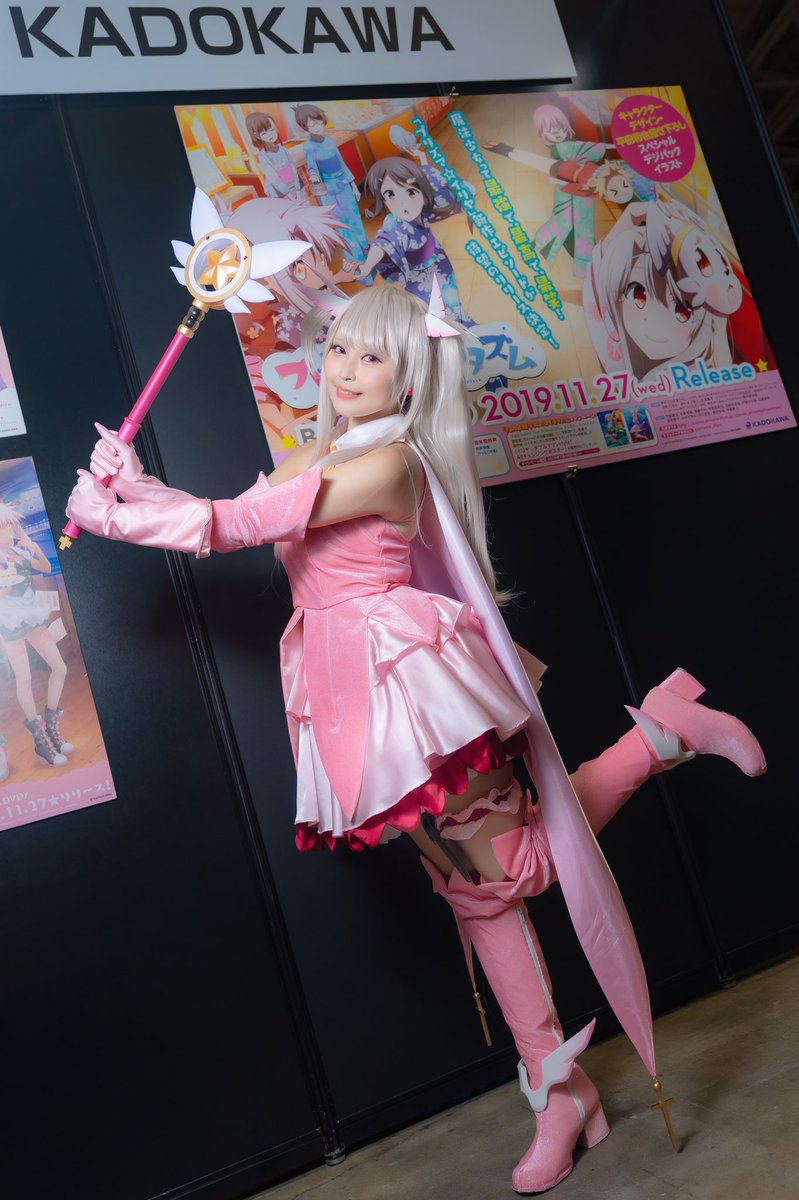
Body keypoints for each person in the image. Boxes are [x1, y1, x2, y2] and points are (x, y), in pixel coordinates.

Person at [66, 286, 764, 1194]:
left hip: (402, 675)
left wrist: (116, 517)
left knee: (508, 872)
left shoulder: (389, 463)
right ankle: (560, 1092)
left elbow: (235, 527)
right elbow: (215, 508)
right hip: (343, 685)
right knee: (474, 891)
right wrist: (129, 479)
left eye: (372, 356)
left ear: (408, 378)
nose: (346, 369)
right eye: (339, 349)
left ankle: (662, 733)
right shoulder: (320, 450)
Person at [0, 504, 73, 768]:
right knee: (24, 678)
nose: (9, 531)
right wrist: (6, 583)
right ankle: (42, 743)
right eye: (4, 527)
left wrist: (32, 545)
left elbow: (44, 565)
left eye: (10, 526)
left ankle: (52, 728)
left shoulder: (18, 552)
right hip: (9, 625)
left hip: (32, 617)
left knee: (60, 668)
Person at [244, 111, 301, 201]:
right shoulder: (263, 156)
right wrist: (289, 195)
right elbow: (274, 178)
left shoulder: (283, 149)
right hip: (280, 192)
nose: (270, 135)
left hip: (293, 185)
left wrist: (298, 190)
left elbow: (292, 168)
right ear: (257, 136)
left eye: (272, 130)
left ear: (276, 128)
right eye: (264, 133)